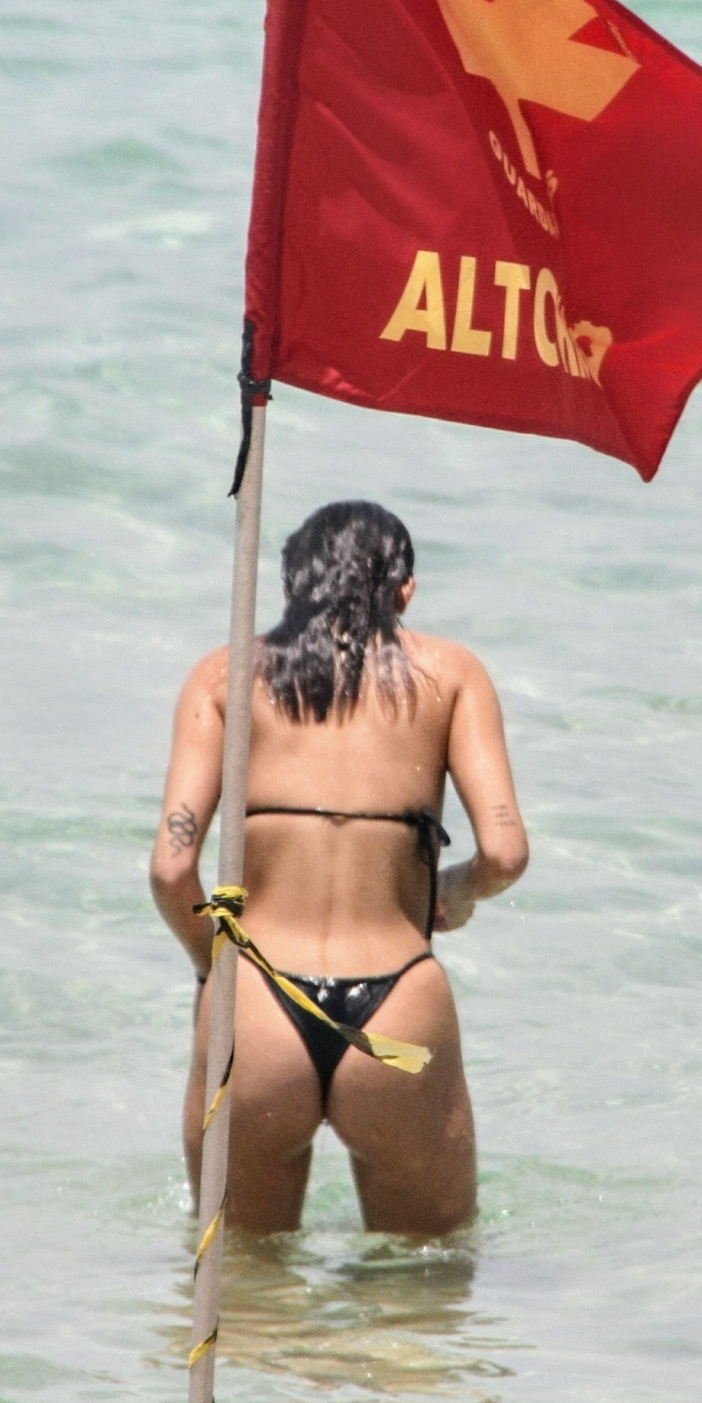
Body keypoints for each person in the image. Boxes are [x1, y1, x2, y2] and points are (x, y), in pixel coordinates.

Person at [150, 500, 528, 1238]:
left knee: (245, 1295)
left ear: (294, 584)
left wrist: (215, 968)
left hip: (256, 1002)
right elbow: (507, 851)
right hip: (400, 1009)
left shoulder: (223, 674)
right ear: (406, 592)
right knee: (422, 1295)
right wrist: (461, 888)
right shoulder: (451, 675)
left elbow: (171, 870)